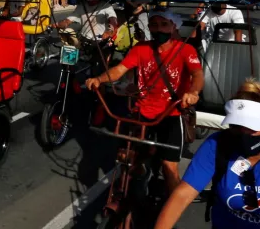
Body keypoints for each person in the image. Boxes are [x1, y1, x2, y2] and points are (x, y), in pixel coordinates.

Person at [155, 80, 260, 229]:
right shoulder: (217, 145)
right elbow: (182, 195)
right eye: (236, 127)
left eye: (251, 128)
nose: (243, 134)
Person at [85, 10, 203, 195]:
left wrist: (193, 92)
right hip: (142, 110)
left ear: (173, 27)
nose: (159, 29)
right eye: (154, 25)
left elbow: (197, 75)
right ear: (149, 28)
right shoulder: (141, 49)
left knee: (169, 166)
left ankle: (173, 210)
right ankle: (140, 177)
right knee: (126, 157)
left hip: (171, 112)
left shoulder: (185, 50)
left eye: (164, 24)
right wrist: (99, 79)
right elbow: (119, 69)